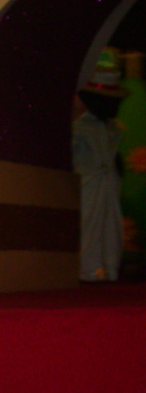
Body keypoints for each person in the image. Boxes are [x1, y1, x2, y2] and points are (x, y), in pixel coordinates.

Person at [72, 47, 127, 282]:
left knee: (111, 230)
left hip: (107, 186)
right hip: (87, 186)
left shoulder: (111, 127)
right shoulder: (79, 127)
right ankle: (88, 272)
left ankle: (108, 270)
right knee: (88, 229)